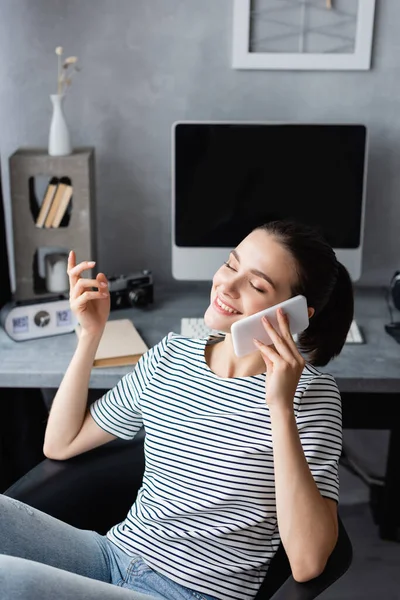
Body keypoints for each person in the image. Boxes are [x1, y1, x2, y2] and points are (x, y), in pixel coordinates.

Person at [0, 220, 353, 600]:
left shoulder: (311, 395)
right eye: (232, 265)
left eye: (257, 285)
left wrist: (280, 407)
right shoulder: (170, 356)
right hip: (111, 557)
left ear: (297, 313)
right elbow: (61, 443)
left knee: (12, 583)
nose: (227, 286)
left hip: (190, 594)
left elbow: (308, 562)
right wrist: (90, 337)